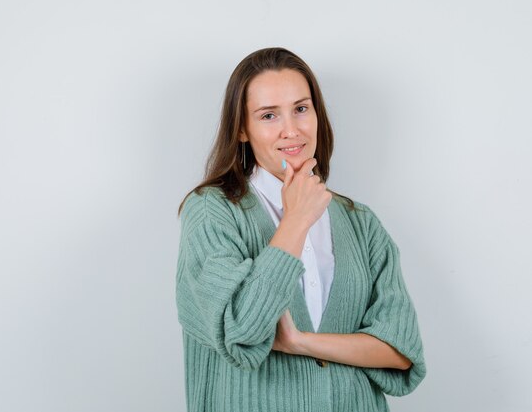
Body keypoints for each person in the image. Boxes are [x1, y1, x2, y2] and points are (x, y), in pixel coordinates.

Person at [175, 47, 426, 412]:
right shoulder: (211, 213)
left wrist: (301, 342)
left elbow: (401, 348)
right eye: (268, 115)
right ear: (242, 129)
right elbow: (241, 331)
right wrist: (295, 220)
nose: (291, 129)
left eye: (301, 109)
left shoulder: (360, 222)